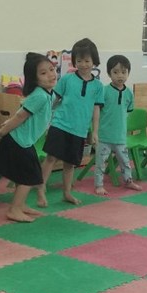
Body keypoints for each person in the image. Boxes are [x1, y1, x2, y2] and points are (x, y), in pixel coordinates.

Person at [0, 53, 58, 223]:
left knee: (27, 175)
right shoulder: (39, 95)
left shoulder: (48, 94)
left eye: (51, 69)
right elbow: (20, 116)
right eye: (43, 73)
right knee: (29, 177)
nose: (50, 75)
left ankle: (20, 205)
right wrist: (3, 130)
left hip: (25, 141)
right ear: (34, 79)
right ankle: (14, 209)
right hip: (17, 141)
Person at [42, 38, 104, 204]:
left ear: (94, 61)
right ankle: (41, 188)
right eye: (79, 61)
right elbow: (54, 100)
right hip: (60, 124)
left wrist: (95, 131)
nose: (83, 64)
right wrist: (47, 121)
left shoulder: (98, 86)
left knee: (70, 164)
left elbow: (96, 110)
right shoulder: (67, 79)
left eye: (87, 61)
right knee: (51, 158)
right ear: (74, 61)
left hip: (79, 130)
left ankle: (67, 193)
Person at [92, 55, 143, 195]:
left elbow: (128, 111)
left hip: (120, 136)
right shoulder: (104, 90)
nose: (120, 75)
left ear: (128, 73)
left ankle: (128, 181)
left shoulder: (129, 93)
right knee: (100, 163)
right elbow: (96, 111)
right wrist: (95, 132)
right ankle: (98, 185)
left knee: (125, 161)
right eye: (115, 72)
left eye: (123, 72)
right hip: (104, 135)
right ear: (109, 74)